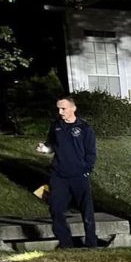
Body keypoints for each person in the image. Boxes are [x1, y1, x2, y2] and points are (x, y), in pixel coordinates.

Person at [36, 96, 98, 249]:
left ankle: (91, 242)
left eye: (63, 108)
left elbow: (91, 153)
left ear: (73, 108)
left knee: (86, 210)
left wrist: (86, 170)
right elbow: (51, 145)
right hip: (59, 175)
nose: (60, 112)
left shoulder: (84, 128)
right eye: (58, 108)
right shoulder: (56, 126)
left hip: (79, 175)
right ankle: (66, 243)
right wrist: (44, 149)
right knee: (55, 208)